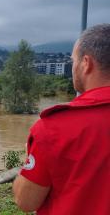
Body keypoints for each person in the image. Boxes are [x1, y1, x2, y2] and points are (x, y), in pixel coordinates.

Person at [13, 24, 110, 214]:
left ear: (86, 63)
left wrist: (29, 158)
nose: (72, 67)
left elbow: (26, 201)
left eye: (73, 61)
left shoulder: (53, 128)